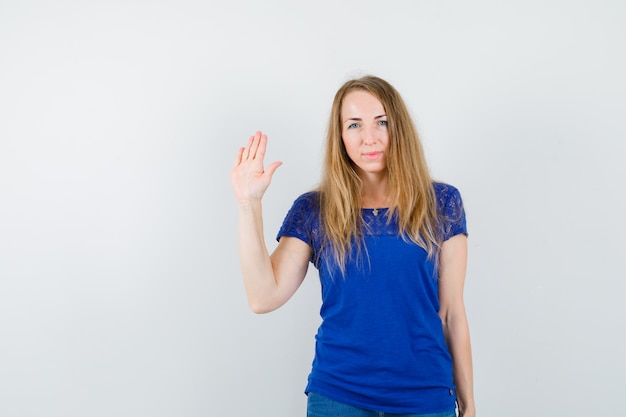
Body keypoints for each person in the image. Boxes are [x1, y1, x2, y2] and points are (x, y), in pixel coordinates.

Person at [231, 75, 475, 417]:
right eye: (355, 125)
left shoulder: (442, 203)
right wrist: (248, 205)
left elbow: (451, 314)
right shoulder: (315, 209)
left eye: (382, 122)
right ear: (340, 135)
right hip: (338, 396)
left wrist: (468, 403)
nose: (369, 138)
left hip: (425, 397)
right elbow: (263, 297)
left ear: (398, 128)